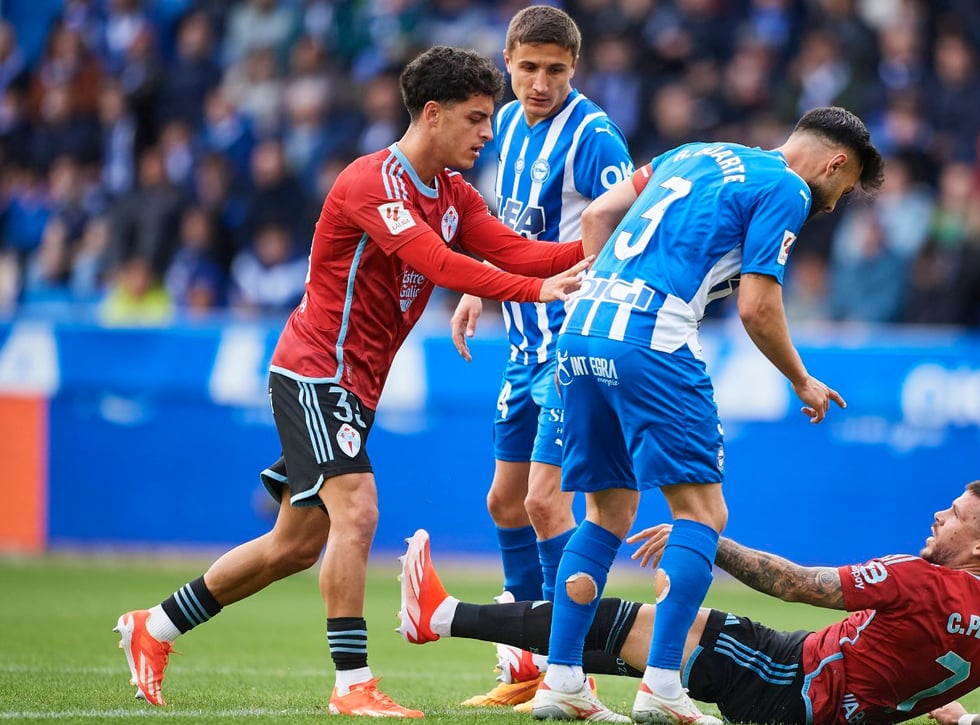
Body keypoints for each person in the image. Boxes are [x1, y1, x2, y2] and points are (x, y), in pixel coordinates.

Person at [113, 45, 593, 718]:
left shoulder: (452, 194)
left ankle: (154, 626)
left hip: (353, 387)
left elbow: (516, 250)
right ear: (433, 115)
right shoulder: (372, 184)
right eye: (477, 118)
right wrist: (542, 288)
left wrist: (607, 239)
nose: (489, 133)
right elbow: (443, 264)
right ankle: (352, 684)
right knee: (360, 510)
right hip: (316, 371)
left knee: (295, 544)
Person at [408, 106, 885, 723]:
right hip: (653, 336)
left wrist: (612, 287)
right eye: (842, 192)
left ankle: (561, 681)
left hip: (578, 332)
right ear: (835, 162)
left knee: (607, 512)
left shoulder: (693, 153)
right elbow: (758, 308)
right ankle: (661, 684)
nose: (833, 202)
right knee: (704, 513)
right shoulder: (790, 188)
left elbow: (602, 213)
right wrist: (803, 379)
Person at [399, 480, 980, 725]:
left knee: (644, 623)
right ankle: (538, 667)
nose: (939, 514)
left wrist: (711, 540)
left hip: (792, 683)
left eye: (956, 515)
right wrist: (955, 716)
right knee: (650, 633)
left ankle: (442, 615)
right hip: (806, 679)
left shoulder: (919, 578)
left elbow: (796, 581)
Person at [445, 6, 634, 709]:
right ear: (507, 62)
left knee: (544, 499)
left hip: (570, 348)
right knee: (504, 499)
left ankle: (568, 666)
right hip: (523, 343)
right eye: (527, 67)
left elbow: (623, 224)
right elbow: (504, 223)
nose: (540, 82)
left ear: (574, 68)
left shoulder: (592, 135)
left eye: (555, 69)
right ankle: (527, 653)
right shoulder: (507, 130)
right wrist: (475, 287)